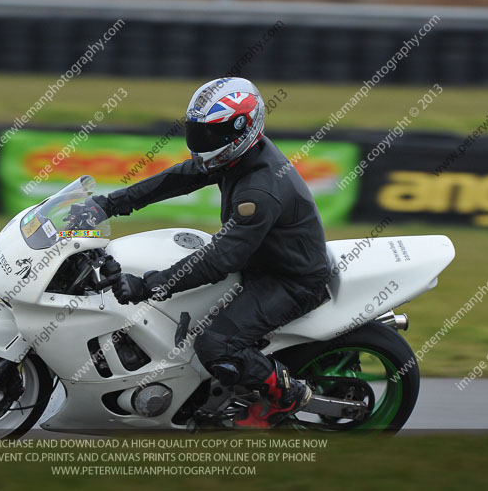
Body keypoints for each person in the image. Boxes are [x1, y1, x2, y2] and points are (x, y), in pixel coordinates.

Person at [76, 77, 331, 428]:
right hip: (262, 261)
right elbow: (178, 177)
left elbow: (221, 260)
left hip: (290, 280)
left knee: (216, 344)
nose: (202, 142)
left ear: (240, 130)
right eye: (198, 132)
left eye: (211, 134)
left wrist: (148, 285)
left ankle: (288, 394)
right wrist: (107, 204)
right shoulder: (238, 157)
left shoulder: (260, 189)